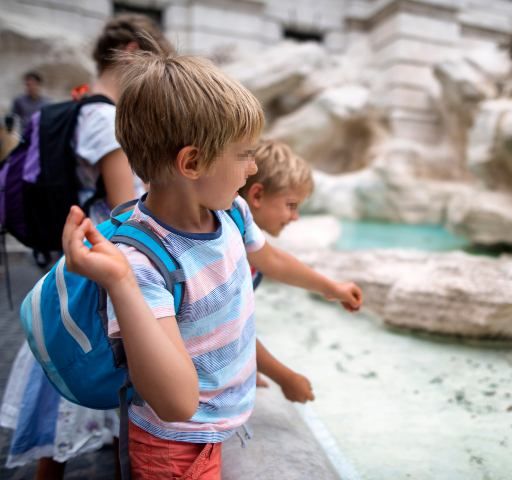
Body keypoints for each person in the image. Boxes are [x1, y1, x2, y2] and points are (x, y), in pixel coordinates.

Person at [61, 50, 362, 479]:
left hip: (218, 423)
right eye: (244, 155)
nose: (253, 167)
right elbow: (176, 404)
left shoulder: (232, 212)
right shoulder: (141, 263)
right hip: (176, 448)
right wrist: (121, 285)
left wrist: (329, 287)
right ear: (193, 163)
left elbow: (268, 258)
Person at [0, 14, 173, 480]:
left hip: (86, 254)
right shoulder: (104, 117)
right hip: (107, 257)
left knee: (67, 374)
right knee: (104, 373)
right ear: (134, 54)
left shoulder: (84, 109)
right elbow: (125, 206)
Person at [241, 140, 317, 402]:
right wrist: (285, 378)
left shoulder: (242, 240)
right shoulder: (232, 249)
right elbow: (231, 330)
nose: (294, 217)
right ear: (257, 195)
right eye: (291, 205)